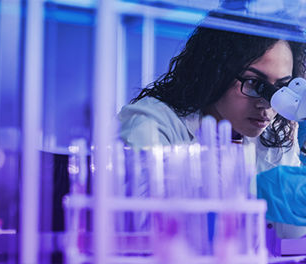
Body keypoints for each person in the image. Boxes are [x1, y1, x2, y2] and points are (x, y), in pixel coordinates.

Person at [118, 12, 306, 238]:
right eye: (255, 83)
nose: (267, 104)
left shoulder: (276, 137)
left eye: (281, 89)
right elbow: (143, 227)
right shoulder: (153, 124)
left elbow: (292, 239)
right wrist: (247, 195)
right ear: (214, 72)